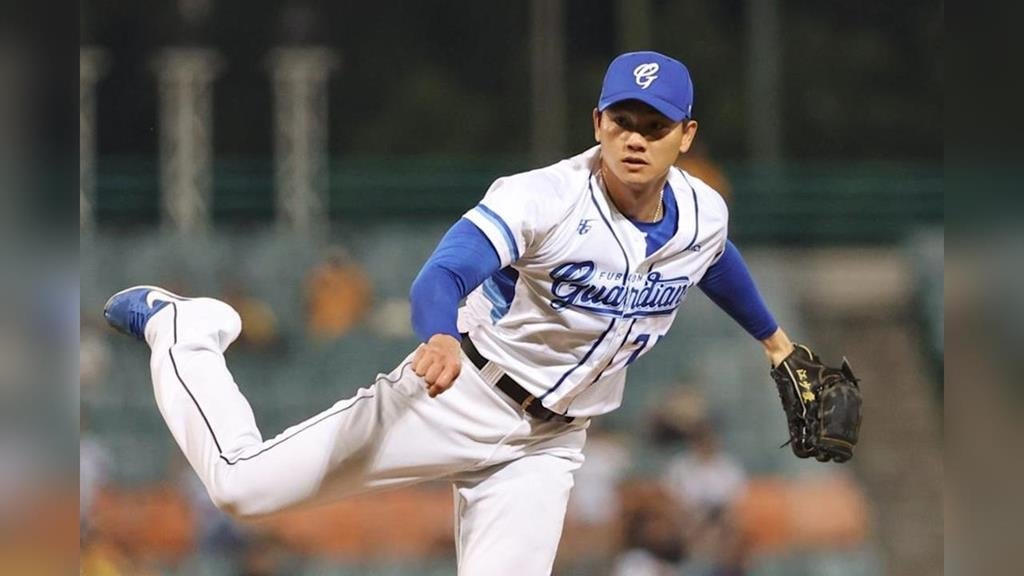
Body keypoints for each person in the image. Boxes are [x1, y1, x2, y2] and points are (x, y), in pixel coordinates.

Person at [103, 52, 802, 576]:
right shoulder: (541, 199)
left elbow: (713, 259)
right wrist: (438, 335)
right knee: (242, 488)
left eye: (655, 125)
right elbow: (442, 273)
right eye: (622, 121)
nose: (635, 139)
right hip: (459, 393)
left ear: (686, 134)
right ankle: (184, 333)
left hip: (548, 445)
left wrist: (776, 343)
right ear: (598, 122)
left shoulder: (703, 211)